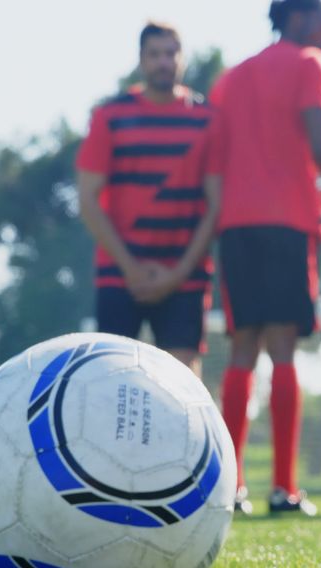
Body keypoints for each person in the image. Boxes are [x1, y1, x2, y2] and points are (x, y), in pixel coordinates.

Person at [208, 0, 321, 516]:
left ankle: (232, 488)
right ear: (296, 19)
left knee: (243, 348)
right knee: (283, 348)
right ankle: (284, 489)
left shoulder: (231, 79)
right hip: (287, 221)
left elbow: (215, 157)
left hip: (237, 226)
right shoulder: (308, 63)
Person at [77, 22, 222, 376]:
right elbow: (88, 199)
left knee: (183, 381)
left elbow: (216, 205)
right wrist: (131, 268)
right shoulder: (110, 117)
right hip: (119, 272)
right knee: (109, 378)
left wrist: (176, 274)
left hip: (184, 275)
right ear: (141, 60)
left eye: (171, 53)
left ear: (182, 59)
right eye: (155, 54)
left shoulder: (208, 121)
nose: (163, 62)